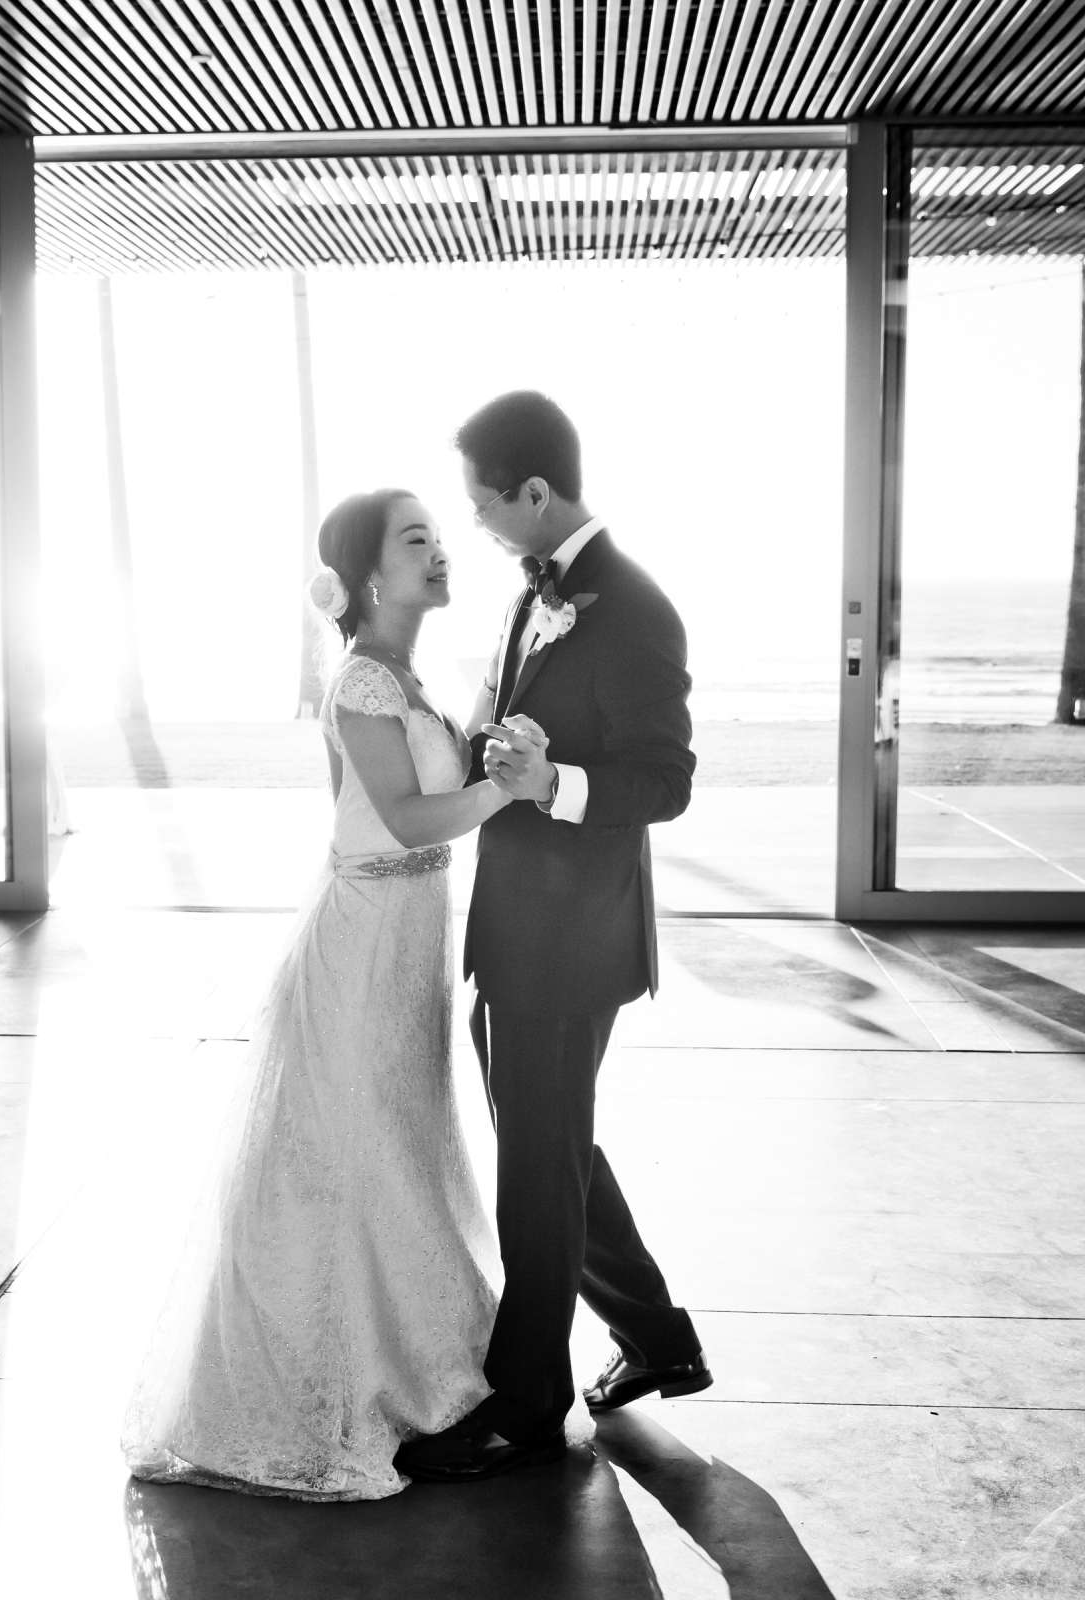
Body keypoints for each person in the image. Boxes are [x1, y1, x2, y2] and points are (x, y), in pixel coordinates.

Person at [121, 489, 512, 1500]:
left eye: (438, 534)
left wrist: (487, 732)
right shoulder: (362, 686)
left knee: (407, 1142)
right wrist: (508, 789)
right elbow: (413, 817)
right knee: (355, 1155)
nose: (439, 551)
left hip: (412, 938)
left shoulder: (411, 676)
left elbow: (440, 784)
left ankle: (426, 1374)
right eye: (415, 539)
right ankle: (350, 1395)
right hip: (365, 935)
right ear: (371, 578)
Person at [394, 390, 711, 1485]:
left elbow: (664, 782)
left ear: (535, 493)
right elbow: (503, 721)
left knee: (536, 1168)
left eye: (485, 505)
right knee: (550, 1152)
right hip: (515, 929)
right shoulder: (533, 597)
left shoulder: (632, 607)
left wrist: (554, 782)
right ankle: (658, 1338)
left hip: (574, 944)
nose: (476, 524)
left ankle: (526, 1405)